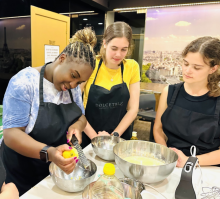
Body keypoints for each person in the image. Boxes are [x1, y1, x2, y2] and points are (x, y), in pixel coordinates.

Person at [0, 27, 97, 196]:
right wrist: (50, 153)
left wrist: (77, 126)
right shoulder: (24, 82)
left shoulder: (71, 87)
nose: (74, 85)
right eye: (73, 75)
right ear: (62, 58)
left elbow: (81, 116)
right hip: (21, 175)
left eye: (79, 81)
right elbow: (11, 134)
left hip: (53, 173)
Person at [153, 36, 220, 168]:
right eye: (185, 63)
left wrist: (190, 160)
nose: (188, 70)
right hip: (172, 162)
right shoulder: (169, 92)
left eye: (197, 67)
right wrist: (167, 154)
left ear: (213, 69)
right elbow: (158, 129)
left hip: (206, 167)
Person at [80, 22, 140, 148]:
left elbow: (133, 109)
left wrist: (114, 137)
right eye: (114, 48)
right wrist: (96, 139)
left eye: (124, 49)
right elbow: (74, 106)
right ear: (105, 43)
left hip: (120, 136)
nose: (118, 54)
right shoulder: (90, 64)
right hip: (89, 135)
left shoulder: (132, 67)